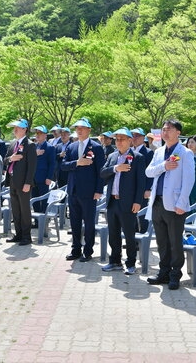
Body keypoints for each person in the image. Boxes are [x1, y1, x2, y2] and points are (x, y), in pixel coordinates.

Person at [145, 119, 195, 290]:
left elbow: (189, 180)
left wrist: (182, 202)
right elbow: (149, 172)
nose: (165, 132)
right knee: (161, 241)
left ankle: (175, 274)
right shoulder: (159, 152)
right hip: (157, 202)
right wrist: (164, 166)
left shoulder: (185, 152)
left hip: (174, 204)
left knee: (175, 241)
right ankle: (163, 272)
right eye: (163, 129)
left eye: (169, 129)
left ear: (178, 133)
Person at [100, 127, 146, 275]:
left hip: (128, 202)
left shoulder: (137, 157)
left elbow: (141, 182)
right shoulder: (113, 157)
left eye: (122, 139)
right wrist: (115, 168)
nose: (119, 142)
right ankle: (115, 261)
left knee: (129, 234)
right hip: (112, 201)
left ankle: (131, 263)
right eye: (117, 139)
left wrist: (138, 201)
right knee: (113, 234)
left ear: (129, 141)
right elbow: (102, 173)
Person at [62, 117, 106, 262]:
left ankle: (88, 250)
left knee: (88, 222)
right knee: (74, 222)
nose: (79, 130)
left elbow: (101, 171)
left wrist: (99, 190)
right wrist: (77, 163)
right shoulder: (71, 147)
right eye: (77, 128)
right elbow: (63, 165)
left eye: (82, 128)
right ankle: (75, 249)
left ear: (89, 130)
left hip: (89, 191)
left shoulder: (97, 147)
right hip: (73, 190)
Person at [3, 119, 37, 245]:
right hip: (12, 181)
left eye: (18, 128)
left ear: (24, 129)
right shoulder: (13, 144)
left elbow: (32, 166)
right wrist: (11, 158)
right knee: (15, 209)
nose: (15, 130)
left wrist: (28, 183)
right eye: (14, 128)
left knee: (24, 210)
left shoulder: (30, 144)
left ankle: (26, 236)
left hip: (23, 183)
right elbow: (5, 160)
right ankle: (18, 234)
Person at [131, 127, 154, 233]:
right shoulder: (129, 151)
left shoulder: (148, 153)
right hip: (130, 188)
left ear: (143, 138)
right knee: (131, 214)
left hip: (143, 188)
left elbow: (150, 173)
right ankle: (133, 238)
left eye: (137, 136)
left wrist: (148, 188)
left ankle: (143, 237)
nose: (134, 138)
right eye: (133, 136)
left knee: (142, 214)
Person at [31, 125, 56, 214]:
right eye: (37, 133)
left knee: (44, 200)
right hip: (33, 178)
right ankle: (37, 221)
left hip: (43, 178)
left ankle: (44, 220)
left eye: (40, 133)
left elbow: (52, 164)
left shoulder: (50, 147)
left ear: (45, 135)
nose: (37, 135)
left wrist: (49, 177)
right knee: (34, 199)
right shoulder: (33, 147)